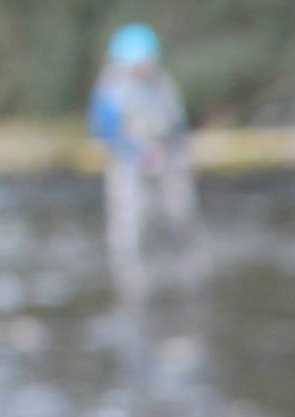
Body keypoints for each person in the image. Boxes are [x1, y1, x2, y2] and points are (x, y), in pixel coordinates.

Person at [88, 24, 203, 302]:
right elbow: (105, 130)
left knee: (178, 211)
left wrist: (171, 150)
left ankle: (186, 264)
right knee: (129, 219)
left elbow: (177, 122)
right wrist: (137, 152)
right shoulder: (111, 88)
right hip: (126, 162)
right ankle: (129, 275)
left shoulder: (163, 83)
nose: (144, 66)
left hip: (168, 157)